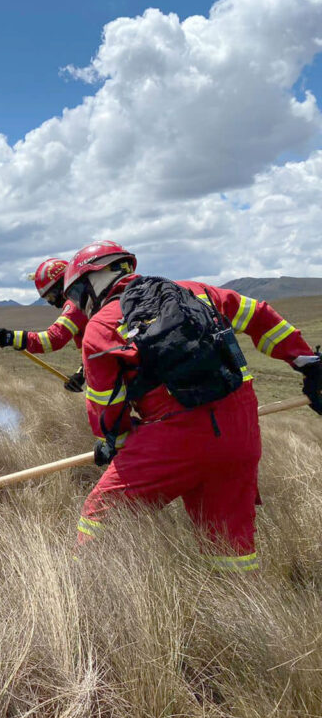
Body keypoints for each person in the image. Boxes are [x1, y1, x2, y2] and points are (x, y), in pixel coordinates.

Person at [63, 240, 321, 573]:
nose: (77, 303)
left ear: (92, 281)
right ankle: (243, 611)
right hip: (240, 435)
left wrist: (115, 445)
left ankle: (84, 589)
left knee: (100, 516)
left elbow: (106, 408)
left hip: (173, 439)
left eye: (75, 294)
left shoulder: (102, 327)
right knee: (229, 547)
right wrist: (309, 365)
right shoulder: (198, 291)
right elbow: (260, 316)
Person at [0, 258, 88, 392]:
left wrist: (11, 337)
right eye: (47, 299)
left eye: (51, 296)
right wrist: (82, 374)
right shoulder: (88, 299)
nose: (52, 303)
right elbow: (96, 350)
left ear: (61, 285)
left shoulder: (76, 304)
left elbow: (53, 339)